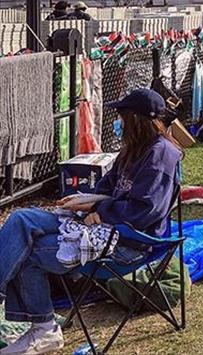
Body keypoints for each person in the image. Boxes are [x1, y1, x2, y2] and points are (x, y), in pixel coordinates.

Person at [0, 88, 181, 355]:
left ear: (135, 119)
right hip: (100, 225)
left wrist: (100, 209)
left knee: (28, 253)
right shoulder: (133, 149)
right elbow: (107, 188)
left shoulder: (160, 154)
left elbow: (146, 210)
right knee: (21, 219)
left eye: (121, 117)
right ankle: (38, 326)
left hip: (129, 242)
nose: (117, 122)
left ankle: (44, 330)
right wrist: (81, 200)